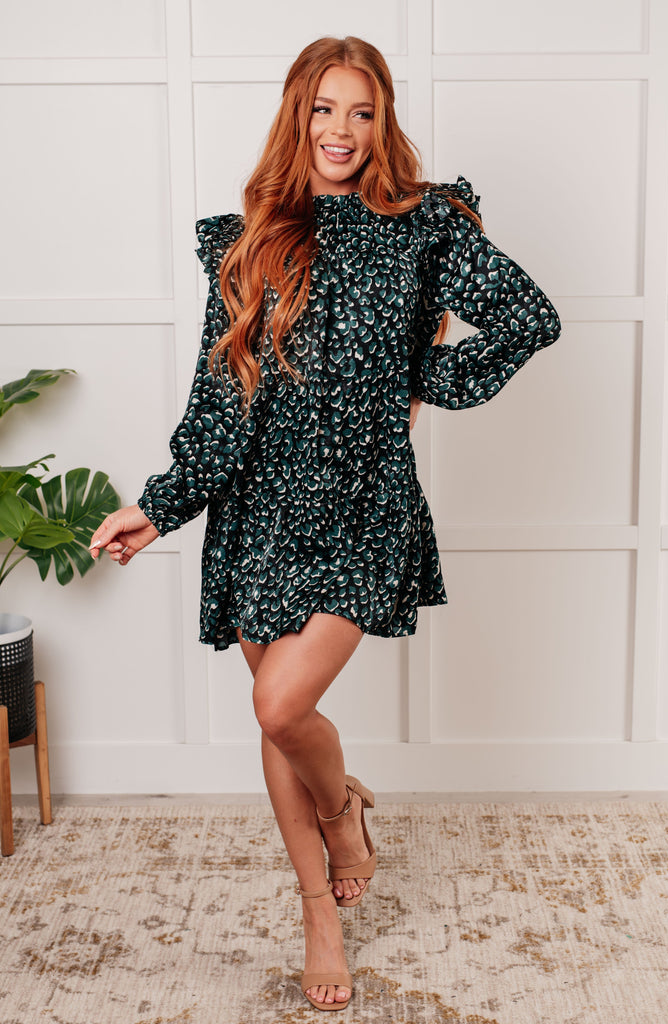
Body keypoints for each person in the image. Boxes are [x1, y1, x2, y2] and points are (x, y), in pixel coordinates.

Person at [90, 35, 561, 1011]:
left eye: (361, 111)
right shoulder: (248, 238)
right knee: (277, 713)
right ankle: (319, 911)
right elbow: (221, 400)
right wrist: (160, 506)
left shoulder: (423, 225)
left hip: (364, 501)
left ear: (381, 122)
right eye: (323, 108)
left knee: (278, 706)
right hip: (257, 504)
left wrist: (415, 378)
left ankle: (343, 816)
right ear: (295, 114)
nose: (341, 129)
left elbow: (529, 319)